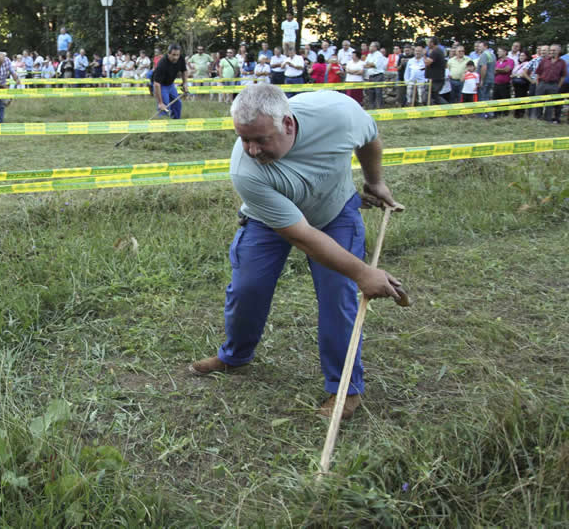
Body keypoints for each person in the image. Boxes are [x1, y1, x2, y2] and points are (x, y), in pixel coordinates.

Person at [190, 84, 404, 421]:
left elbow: (370, 138)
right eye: (243, 138)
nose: (251, 149)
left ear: (288, 124)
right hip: (270, 221)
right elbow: (302, 235)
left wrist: (374, 181)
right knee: (247, 289)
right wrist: (364, 272)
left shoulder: (339, 114)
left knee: (338, 296)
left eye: (260, 139)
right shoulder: (245, 170)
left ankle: (345, 389)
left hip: (335, 210)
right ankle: (235, 355)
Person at [151, 44, 190, 119]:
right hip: (160, 85)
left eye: (177, 55)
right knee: (164, 106)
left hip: (170, 85)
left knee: (177, 104)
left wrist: (185, 83)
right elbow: (156, 84)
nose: (176, 57)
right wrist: (160, 103)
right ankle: (161, 127)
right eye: (173, 55)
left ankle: (175, 124)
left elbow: (184, 71)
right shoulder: (162, 64)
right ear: (168, 53)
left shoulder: (180, 59)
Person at [535, 44, 567, 123]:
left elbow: (563, 76)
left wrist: (558, 86)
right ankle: (537, 119)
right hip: (542, 83)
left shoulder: (562, 62)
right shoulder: (544, 60)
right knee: (539, 102)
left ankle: (547, 120)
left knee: (550, 104)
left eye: (554, 50)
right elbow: (538, 72)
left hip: (553, 85)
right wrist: (538, 84)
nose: (552, 52)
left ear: (558, 51)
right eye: (551, 50)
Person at [363, 41, 387, 108]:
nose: (369, 47)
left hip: (378, 75)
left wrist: (369, 64)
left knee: (378, 92)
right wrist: (370, 64)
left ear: (375, 47)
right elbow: (365, 64)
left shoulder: (379, 55)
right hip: (371, 76)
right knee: (371, 92)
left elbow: (375, 65)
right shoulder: (369, 55)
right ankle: (372, 107)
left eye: (371, 46)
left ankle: (379, 107)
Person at [424, 37, 448, 105]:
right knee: (433, 95)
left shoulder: (435, 51)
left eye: (428, 42)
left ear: (432, 43)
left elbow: (427, 63)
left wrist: (424, 55)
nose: (427, 44)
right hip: (436, 77)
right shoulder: (438, 50)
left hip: (435, 78)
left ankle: (448, 108)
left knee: (434, 95)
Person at [510, 51, 533, 119]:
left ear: (527, 56)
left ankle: (520, 113)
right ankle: (516, 113)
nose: (521, 57)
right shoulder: (518, 64)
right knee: (517, 98)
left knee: (521, 98)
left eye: (523, 55)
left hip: (523, 84)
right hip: (516, 84)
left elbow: (524, 74)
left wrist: (515, 75)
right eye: (520, 55)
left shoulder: (528, 63)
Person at [493, 47, 514, 116]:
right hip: (496, 84)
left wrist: (497, 69)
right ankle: (496, 114)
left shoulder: (510, 61)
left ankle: (505, 115)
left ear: (505, 52)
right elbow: (494, 72)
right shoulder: (497, 61)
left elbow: (507, 70)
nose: (498, 53)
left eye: (499, 51)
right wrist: (500, 70)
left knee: (505, 100)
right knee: (496, 100)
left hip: (505, 84)